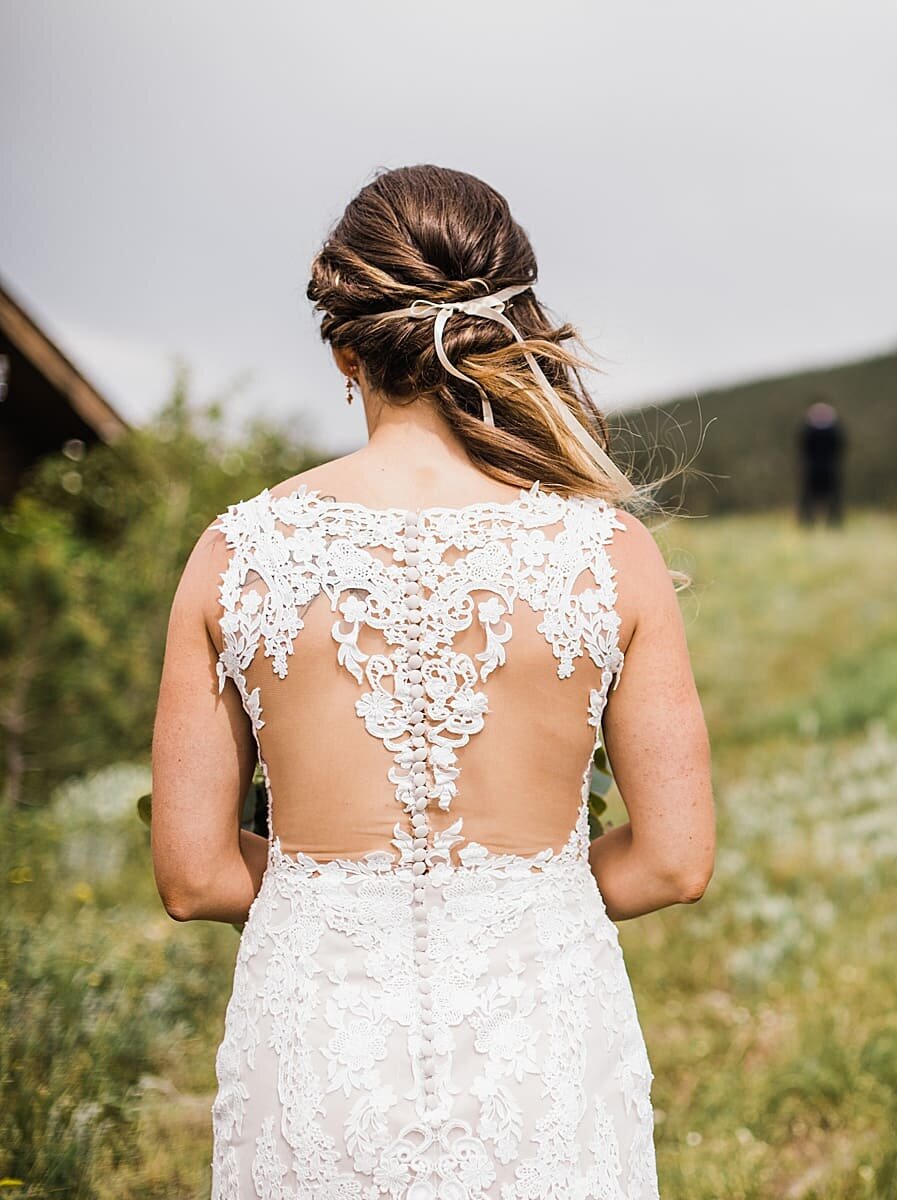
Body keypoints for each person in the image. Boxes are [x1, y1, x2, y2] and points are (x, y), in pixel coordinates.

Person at [149, 164, 714, 1198]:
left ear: (343, 350)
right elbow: (672, 863)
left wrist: (343, 902)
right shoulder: (606, 553)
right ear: (509, 336)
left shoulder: (238, 555)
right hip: (540, 1045)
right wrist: (509, 903)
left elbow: (195, 875)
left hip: (319, 1046)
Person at [797, 399, 846, 526]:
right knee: (807, 497)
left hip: (829, 467)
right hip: (812, 467)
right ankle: (807, 522)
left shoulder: (834, 429)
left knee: (834, 497)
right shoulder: (808, 429)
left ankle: (834, 522)